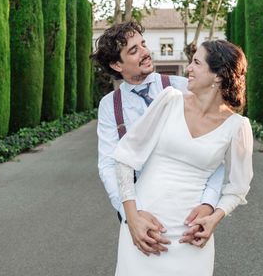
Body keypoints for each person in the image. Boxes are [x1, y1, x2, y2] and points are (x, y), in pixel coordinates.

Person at [113, 39, 253, 275]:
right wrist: (132, 217)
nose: (188, 68)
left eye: (196, 63)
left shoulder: (237, 127)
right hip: (144, 226)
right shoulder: (169, 100)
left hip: (191, 237)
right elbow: (125, 157)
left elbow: (238, 187)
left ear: (217, 76)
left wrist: (214, 218)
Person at [93, 21, 225, 253]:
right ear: (116, 64)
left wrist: (208, 204)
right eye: (133, 50)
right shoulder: (109, 106)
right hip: (139, 210)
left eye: (143, 44)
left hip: (187, 212)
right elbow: (108, 164)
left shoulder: (184, 87)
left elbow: (216, 151)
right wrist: (130, 216)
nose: (145, 52)